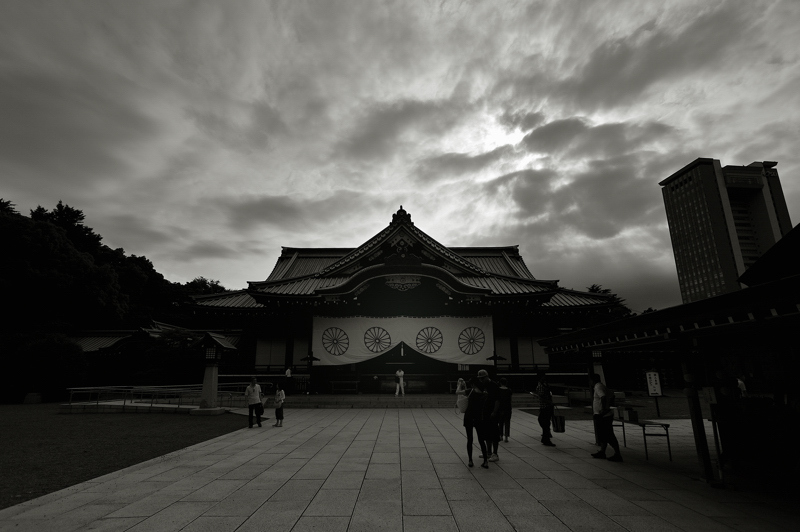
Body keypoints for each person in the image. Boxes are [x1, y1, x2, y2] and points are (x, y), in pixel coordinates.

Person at [591, 373, 622, 462]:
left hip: (603, 415)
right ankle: (602, 451)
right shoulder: (602, 386)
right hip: (603, 414)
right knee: (603, 434)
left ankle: (617, 453)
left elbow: (603, 397)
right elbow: (612, 395)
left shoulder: (598, 387)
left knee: (608, 434)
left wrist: (604, 409)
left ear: (592, 380)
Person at [463, 378, 489, 468]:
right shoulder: (484, 394)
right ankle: (485, 461)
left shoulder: (470, 391)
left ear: (473, 385)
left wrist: (460, 384)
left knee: (470, 439)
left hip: (469, 416)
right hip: (478, 417)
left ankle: (470, 460)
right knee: (481, 440)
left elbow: (458, 392)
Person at [478, 369, 501, 462]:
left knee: (494, 433)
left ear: (487, 377)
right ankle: (488, 452)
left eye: (483, 378)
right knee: (487, 433)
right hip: (485, 412)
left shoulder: (494, 385)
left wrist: (495, 411)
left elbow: (498, 400)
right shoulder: (483, 385)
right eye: (480, 378)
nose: (481, 380)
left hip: (492, 412)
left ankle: (495, 453)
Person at [535, 371, 555, 446]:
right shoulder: (541, 386)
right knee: (545, 422)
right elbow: (541, 396)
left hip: (546, 406)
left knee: (545, 422)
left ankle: (545, 437)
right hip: (545, 406)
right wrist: (549, 402)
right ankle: (546, 437)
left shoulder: (543, 385)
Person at [497, 378, 513, 443]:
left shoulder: (498, 390)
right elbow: (510, 400)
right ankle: (506, 436)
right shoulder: (509, 390)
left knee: (500, 422)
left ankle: (500, 436)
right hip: (508, 407)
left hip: (500, 408)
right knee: (507, 422)